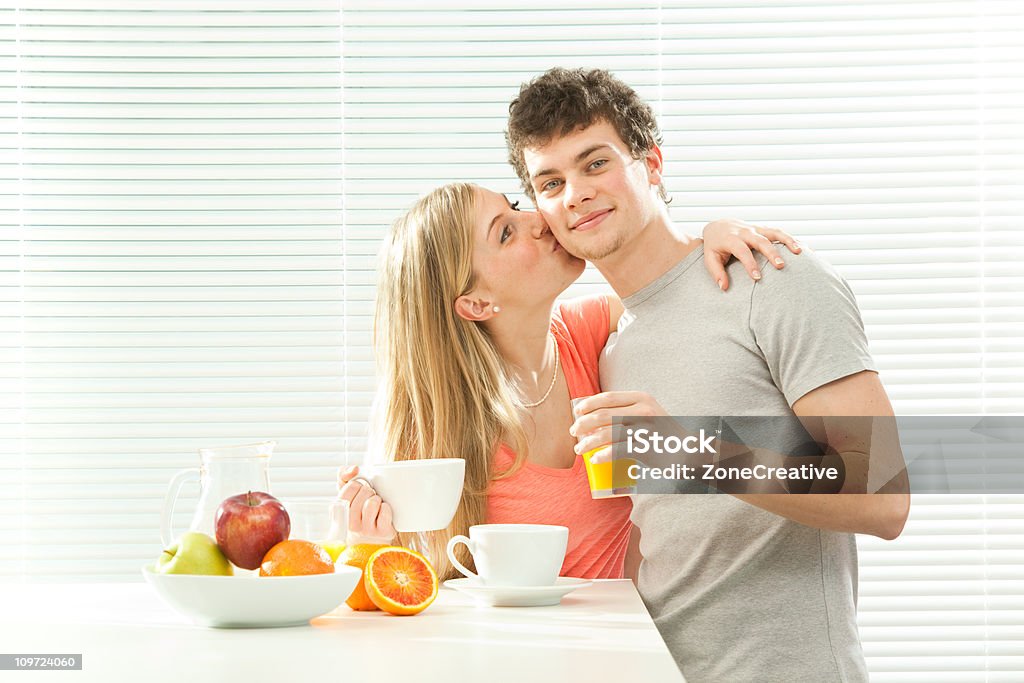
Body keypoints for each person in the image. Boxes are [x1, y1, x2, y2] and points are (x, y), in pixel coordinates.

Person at [505, 67, 910, 682]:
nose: (575, 194)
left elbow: (884, 497)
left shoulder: (774, 281)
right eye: (550, 182)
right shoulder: (607, 342)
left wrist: (690, 452)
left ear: (653, 165)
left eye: (595, 164)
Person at [337, 181, 800, 582]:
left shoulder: (585, 333)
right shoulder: (432, 433)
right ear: (476, 304)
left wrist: (707, 236)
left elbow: (676, 287)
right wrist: (364, 541)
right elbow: (396, 587)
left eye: (515, 207)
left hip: (628, 648)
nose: (538, 220)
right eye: (505, 232)